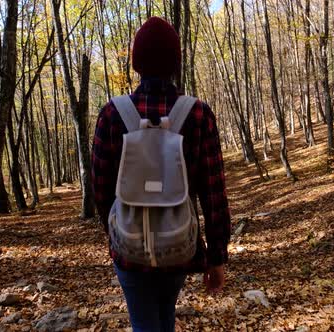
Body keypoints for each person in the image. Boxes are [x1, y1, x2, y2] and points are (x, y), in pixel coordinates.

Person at [91, 16, 231, 332]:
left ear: (136, 62)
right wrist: (217, 255)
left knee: (144, 323)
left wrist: (114, 234)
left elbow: (101, 190)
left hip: (129, 247)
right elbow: (214, 192)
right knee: (165, 316)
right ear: (176, 63)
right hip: (178, 244)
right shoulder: (197, 114)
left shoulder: (112, 115)